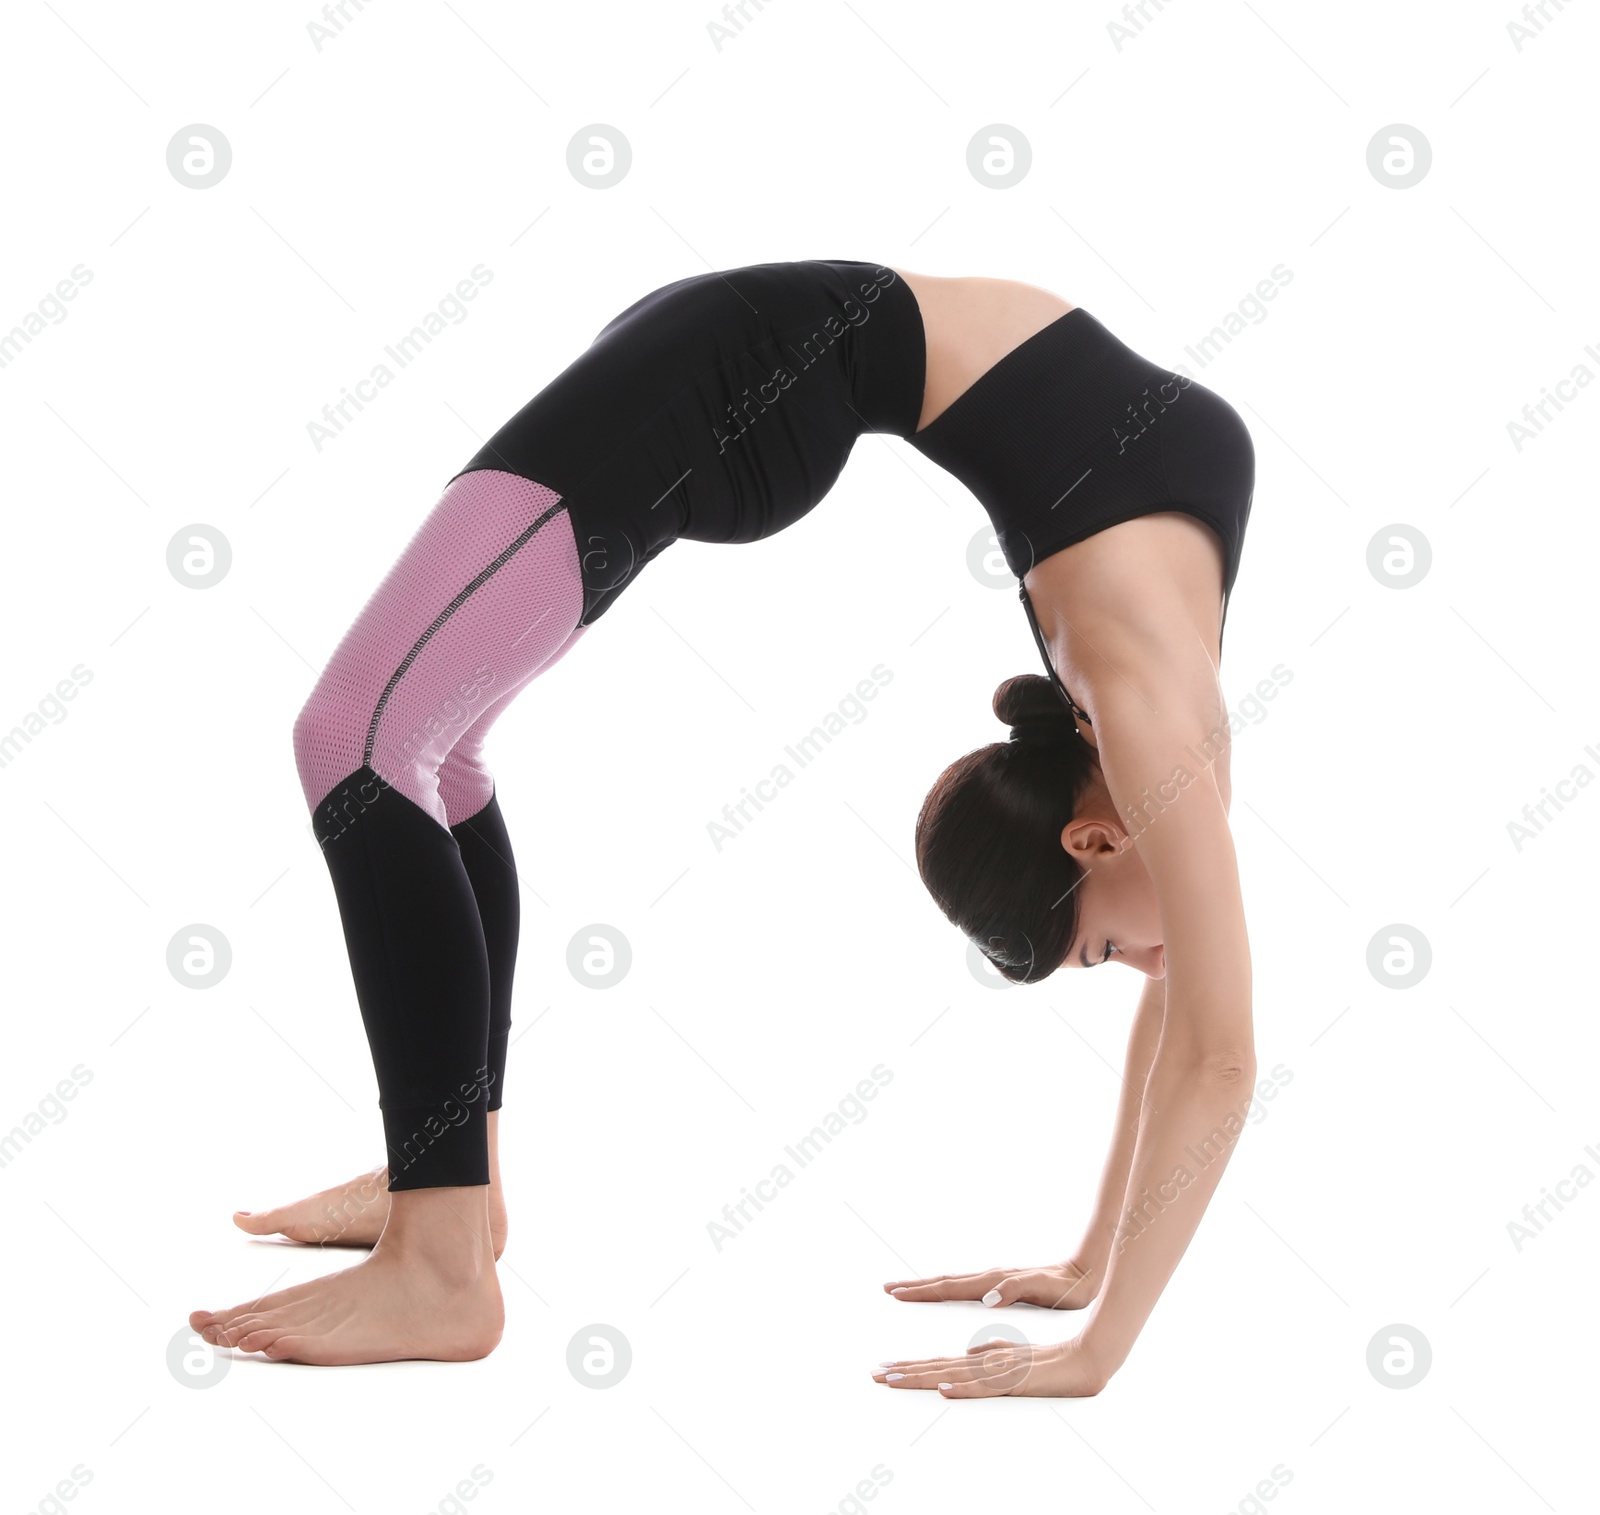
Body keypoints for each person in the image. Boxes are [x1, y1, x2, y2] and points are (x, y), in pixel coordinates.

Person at [189, 260, 1256, 1385]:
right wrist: (1091, 1356)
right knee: (367, 743)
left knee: (415, 751)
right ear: (1091, 841)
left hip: (766, 347)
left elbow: (1191, 1007)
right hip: (751, 365)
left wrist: (1092, 1264)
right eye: (1099, 950)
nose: (1140, 964)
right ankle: (446, 1242)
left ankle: (449, 1195)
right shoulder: (1144, 706)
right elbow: (1217, 1058)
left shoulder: (1148, 736)